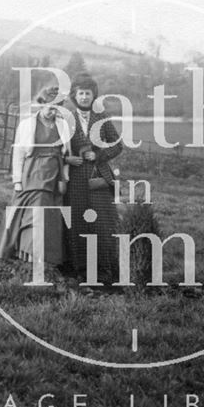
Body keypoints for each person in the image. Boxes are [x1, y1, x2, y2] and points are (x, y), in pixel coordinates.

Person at [0, 86, 71, 270]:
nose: (53, 112)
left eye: (57, 108)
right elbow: (19, 154)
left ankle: (44, 257)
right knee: (32, 212)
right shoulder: (27, 124)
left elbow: (67, 154)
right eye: (50, 107)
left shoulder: (63, 125)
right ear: (41, 104)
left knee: (48, 215)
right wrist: (17, 180)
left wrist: (64, 179)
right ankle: (27, 255)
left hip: (53, 174)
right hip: (32, 172)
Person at [64, 73, 122, 281]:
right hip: (75, 177)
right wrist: (67, 160)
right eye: (80, 93)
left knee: (103, 222)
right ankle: (78, 269)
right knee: (77, 221)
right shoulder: (66, 118)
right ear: (75, 95)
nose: (84, 97)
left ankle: (105, 269)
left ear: (93, 95)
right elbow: (56, 146)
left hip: (99, 177)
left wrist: (98, 155)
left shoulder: (102, 117)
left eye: (88, 93)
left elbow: (117, 144)